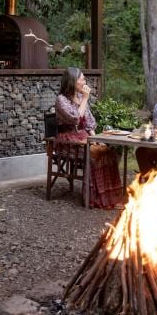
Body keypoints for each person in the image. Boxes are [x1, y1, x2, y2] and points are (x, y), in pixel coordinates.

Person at [55, 67, 124, 209]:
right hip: (67, 139)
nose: (85, 82)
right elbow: (75, 118)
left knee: (108, 151)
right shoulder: (61, 100)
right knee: (94, 155)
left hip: (83, 136)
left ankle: (111, 197)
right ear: (73, 81)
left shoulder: (80, 97)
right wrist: (86, 99)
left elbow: (89, 123)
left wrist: (97, 139)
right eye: (82, 79)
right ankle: (95, 198)